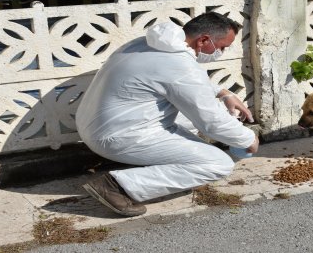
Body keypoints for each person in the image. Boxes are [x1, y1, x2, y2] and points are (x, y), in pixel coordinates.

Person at [75, 12, 259, 216]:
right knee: (218, 163)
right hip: (117, 137)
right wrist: (248, 138)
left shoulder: (145, 43)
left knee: (189, 121)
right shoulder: (179, 65)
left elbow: (178, 81)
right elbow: (211, 122)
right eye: (222, 47)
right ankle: (116, 186)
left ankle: (163, 168)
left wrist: (223, 93)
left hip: (95, 124)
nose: (221, 52)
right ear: (204, 40)